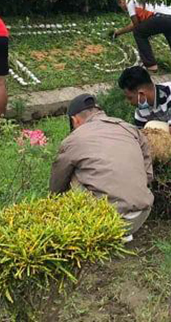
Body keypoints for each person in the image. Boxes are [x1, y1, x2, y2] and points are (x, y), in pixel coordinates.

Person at [49, 93, 154, 236]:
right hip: (141, 213)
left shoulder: (73, 139)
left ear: (75, 120)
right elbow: (147, 173)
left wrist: (52, 204)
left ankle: (93, 229)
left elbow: (58, 182)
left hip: (105, 219)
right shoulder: (129, 129)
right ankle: (125, 233)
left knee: (72, 172)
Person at [110, 0, 171, 87]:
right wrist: (118, 33)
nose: (124, 9)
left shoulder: (130, 1)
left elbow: (136, 25)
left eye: (121, 7)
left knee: (138, 32)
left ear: (121, 1)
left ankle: (150, 64)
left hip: (161, 18)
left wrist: (118, 32)